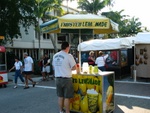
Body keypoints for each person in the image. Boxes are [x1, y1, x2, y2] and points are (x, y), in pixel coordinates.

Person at [52, 42, 76, 113]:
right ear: (67, 47)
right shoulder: (69, 56)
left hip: (57, 78)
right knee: (67, 97)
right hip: (66, 79)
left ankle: (60, 111)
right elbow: (74, 67)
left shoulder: (55, 55)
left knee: (60, 96)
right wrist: (68, 68)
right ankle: (67, 111)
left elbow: (53, 66)